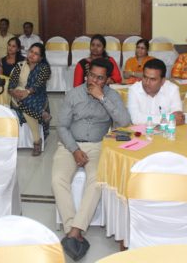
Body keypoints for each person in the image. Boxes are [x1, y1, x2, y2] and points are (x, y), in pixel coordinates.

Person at [52, 58, 131, 260]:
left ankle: (74, 231)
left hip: (97, 146)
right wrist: (74, 149)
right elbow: (62, 126)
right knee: (58, 178)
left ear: (107, 80)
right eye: (91, 76)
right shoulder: (73, 94)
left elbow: (125, 122)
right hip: (69, 144)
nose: (94, 81)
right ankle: (73, 230)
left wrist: (102, 98)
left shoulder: (112, 96)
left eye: (100, 78)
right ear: (87, 75)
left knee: (96, 179)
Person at [9, 43, 51, 156]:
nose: (32, 55)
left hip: (37, 97)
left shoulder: (44, 68)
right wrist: (13, 92)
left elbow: (38, 85)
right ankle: (41, 114)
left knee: (25, 105)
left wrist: (26, 92)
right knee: (19, 91)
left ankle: (37, 141)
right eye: (31, 51)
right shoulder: (20, 66)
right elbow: (11, 84)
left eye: (36, 54)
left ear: (40, 58)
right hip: (17, 97)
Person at [127, 58, 185, 125]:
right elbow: (135, 119)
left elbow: (178, 118)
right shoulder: (134, 90)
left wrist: (146, 119)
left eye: (152, 79)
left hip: (166, 131)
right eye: (145, 77)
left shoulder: (172, 89)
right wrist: (168, 118)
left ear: (163, 81)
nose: (147, 83)